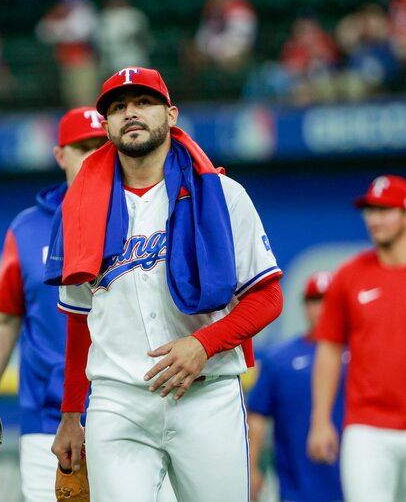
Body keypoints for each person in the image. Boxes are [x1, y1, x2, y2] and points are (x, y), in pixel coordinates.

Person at [47, 66, 284, 501]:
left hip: (206, 395)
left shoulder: (223, 194)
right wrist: (69, 414)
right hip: (118, 402)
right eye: (118, 107)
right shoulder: (78, 207)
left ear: (171, 115)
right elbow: (79, 320)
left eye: (143, 103)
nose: (130, 113)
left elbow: (268, 297)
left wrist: (205, 342)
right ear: (107, 125)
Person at [0, 107, 107, 502]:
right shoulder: (29, 227)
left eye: (101, 145)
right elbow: (2, 322)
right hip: (47, 423)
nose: (92, 155)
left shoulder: (141, 215)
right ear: (59, 155)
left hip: (128, 412)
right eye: (82, 147)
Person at [308, 175, 406, 502]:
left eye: (385, 210)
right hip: (368, 427)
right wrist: (320, 421)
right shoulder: (350, 276)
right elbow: (329, 350)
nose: (374, 219)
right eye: (370, 211)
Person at [247, 271, 345, 502]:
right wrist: (251, 468)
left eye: (329, 300)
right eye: (315, 300)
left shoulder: (361, 354)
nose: (322, 308)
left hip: (356, 481)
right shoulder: (279, 359)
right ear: (304, 306)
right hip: (297, 487)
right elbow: (257, 419)